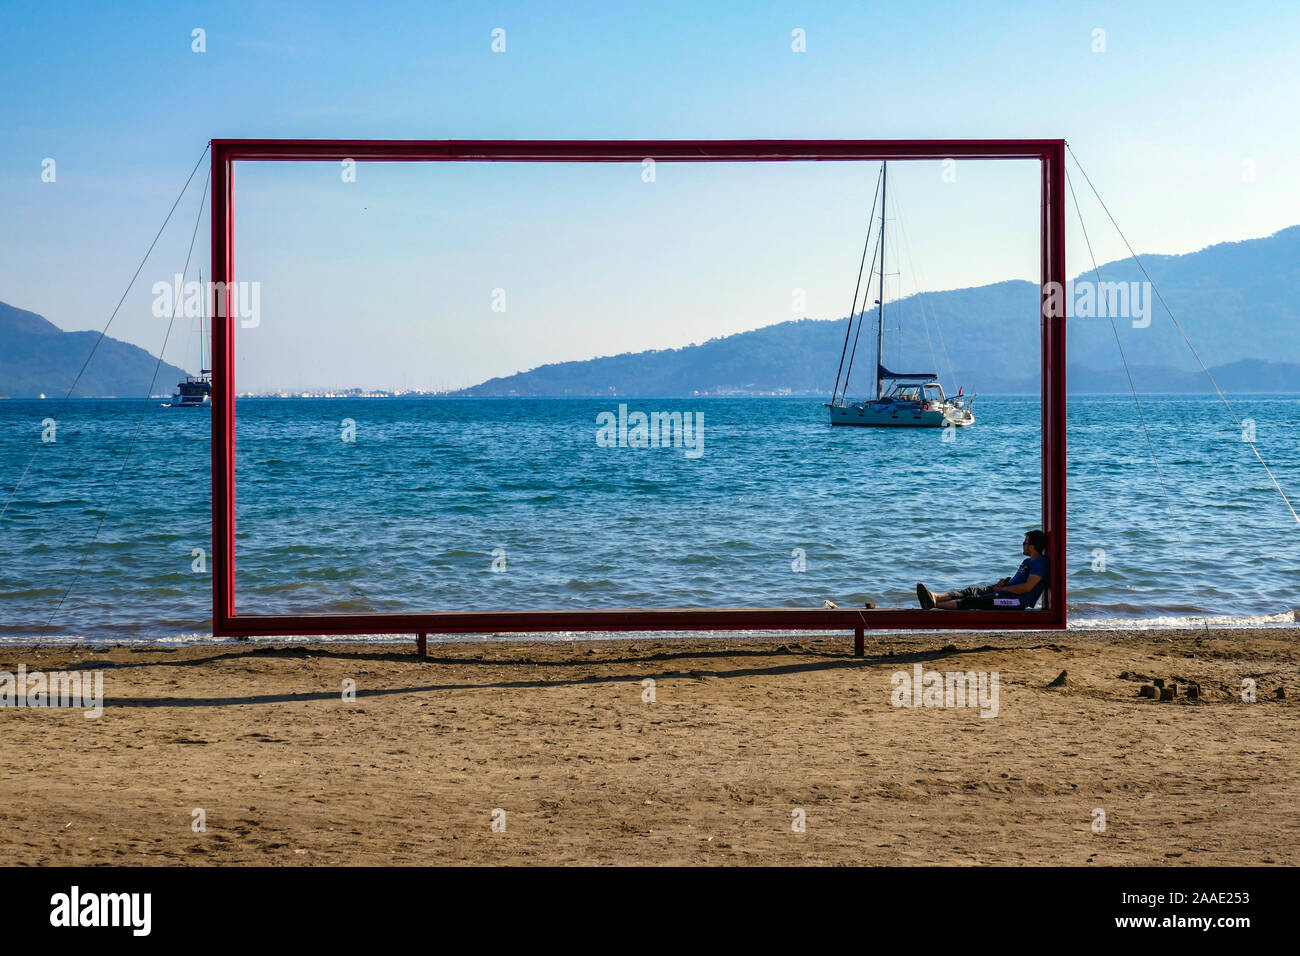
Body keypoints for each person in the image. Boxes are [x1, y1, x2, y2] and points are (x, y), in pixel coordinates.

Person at [916, 530, 1048, 610]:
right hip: (1006, 592)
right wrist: (1005, 583)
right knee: (971, 591)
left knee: (974, 600)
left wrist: (1003, 589)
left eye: (1024, 543)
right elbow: (1019, 581)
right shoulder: (1027, 561)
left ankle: (933, 604)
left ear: (1032, 547)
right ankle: (935, 597)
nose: (1022, 545)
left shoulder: (1040, 562)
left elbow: (1027, 587)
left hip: (1015, 601)